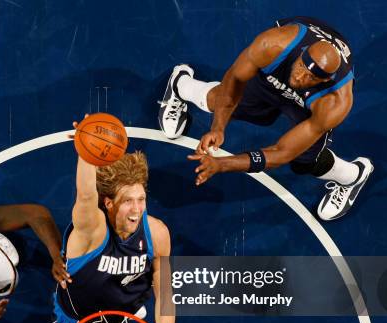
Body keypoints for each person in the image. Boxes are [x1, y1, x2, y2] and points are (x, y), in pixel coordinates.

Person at [158, 16, 373, 221]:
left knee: (305, 162)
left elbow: (282, 152)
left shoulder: (334, 102)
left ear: (325, 80)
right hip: (275, 75)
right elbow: (234, 80)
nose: (300, 77)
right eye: (301, 67)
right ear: (301, 54)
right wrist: (218, 128)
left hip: (306, 103)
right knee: (220, 101)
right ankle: (180, 84)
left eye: (311, 77)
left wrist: (222, 165)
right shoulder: (273, 45)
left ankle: (354, 176)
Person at [53, 118, 174, 323]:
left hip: (124, 306)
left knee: (143, 284)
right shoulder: (91, 230)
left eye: (141, 199)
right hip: (78, 314)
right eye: (128, 201)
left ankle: (128, 305)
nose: (137, 209)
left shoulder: (156, 233)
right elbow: (85, 195)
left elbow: (167, 297)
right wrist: (86, 154)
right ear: (108, 202)